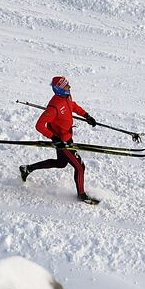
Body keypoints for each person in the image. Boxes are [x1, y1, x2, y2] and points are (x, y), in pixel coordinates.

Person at [19, 76, 100, 204]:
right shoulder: (54, 107)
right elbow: (39, 125)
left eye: (68, 84)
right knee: (80, 167)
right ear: (59, 89)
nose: (69, 87)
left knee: (61, 163)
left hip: (67, 136)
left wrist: (86, 116)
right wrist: (54, 138)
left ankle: (27, 168)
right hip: (62, 142)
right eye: (66, 86)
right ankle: (82, 195)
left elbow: (73, 106)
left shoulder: (67, 97)